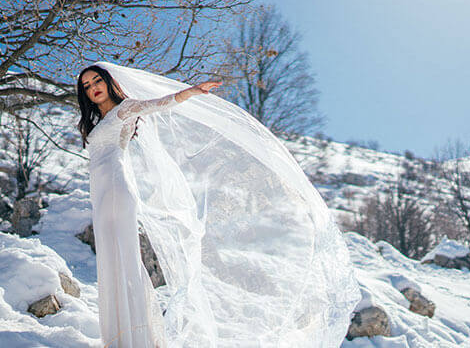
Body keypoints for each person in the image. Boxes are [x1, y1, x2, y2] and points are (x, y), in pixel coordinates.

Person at [76, 61, 361, 348]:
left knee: (124, 260)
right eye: (86, 86)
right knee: (110, 261)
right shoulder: (96, 123)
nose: (93, 89)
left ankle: (135, 337)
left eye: (97, 81)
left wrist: (191, 92)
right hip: (101, 196)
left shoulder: (124, 110)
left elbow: (158, 104)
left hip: (117, 192)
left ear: (109, 81)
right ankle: (118, 334)